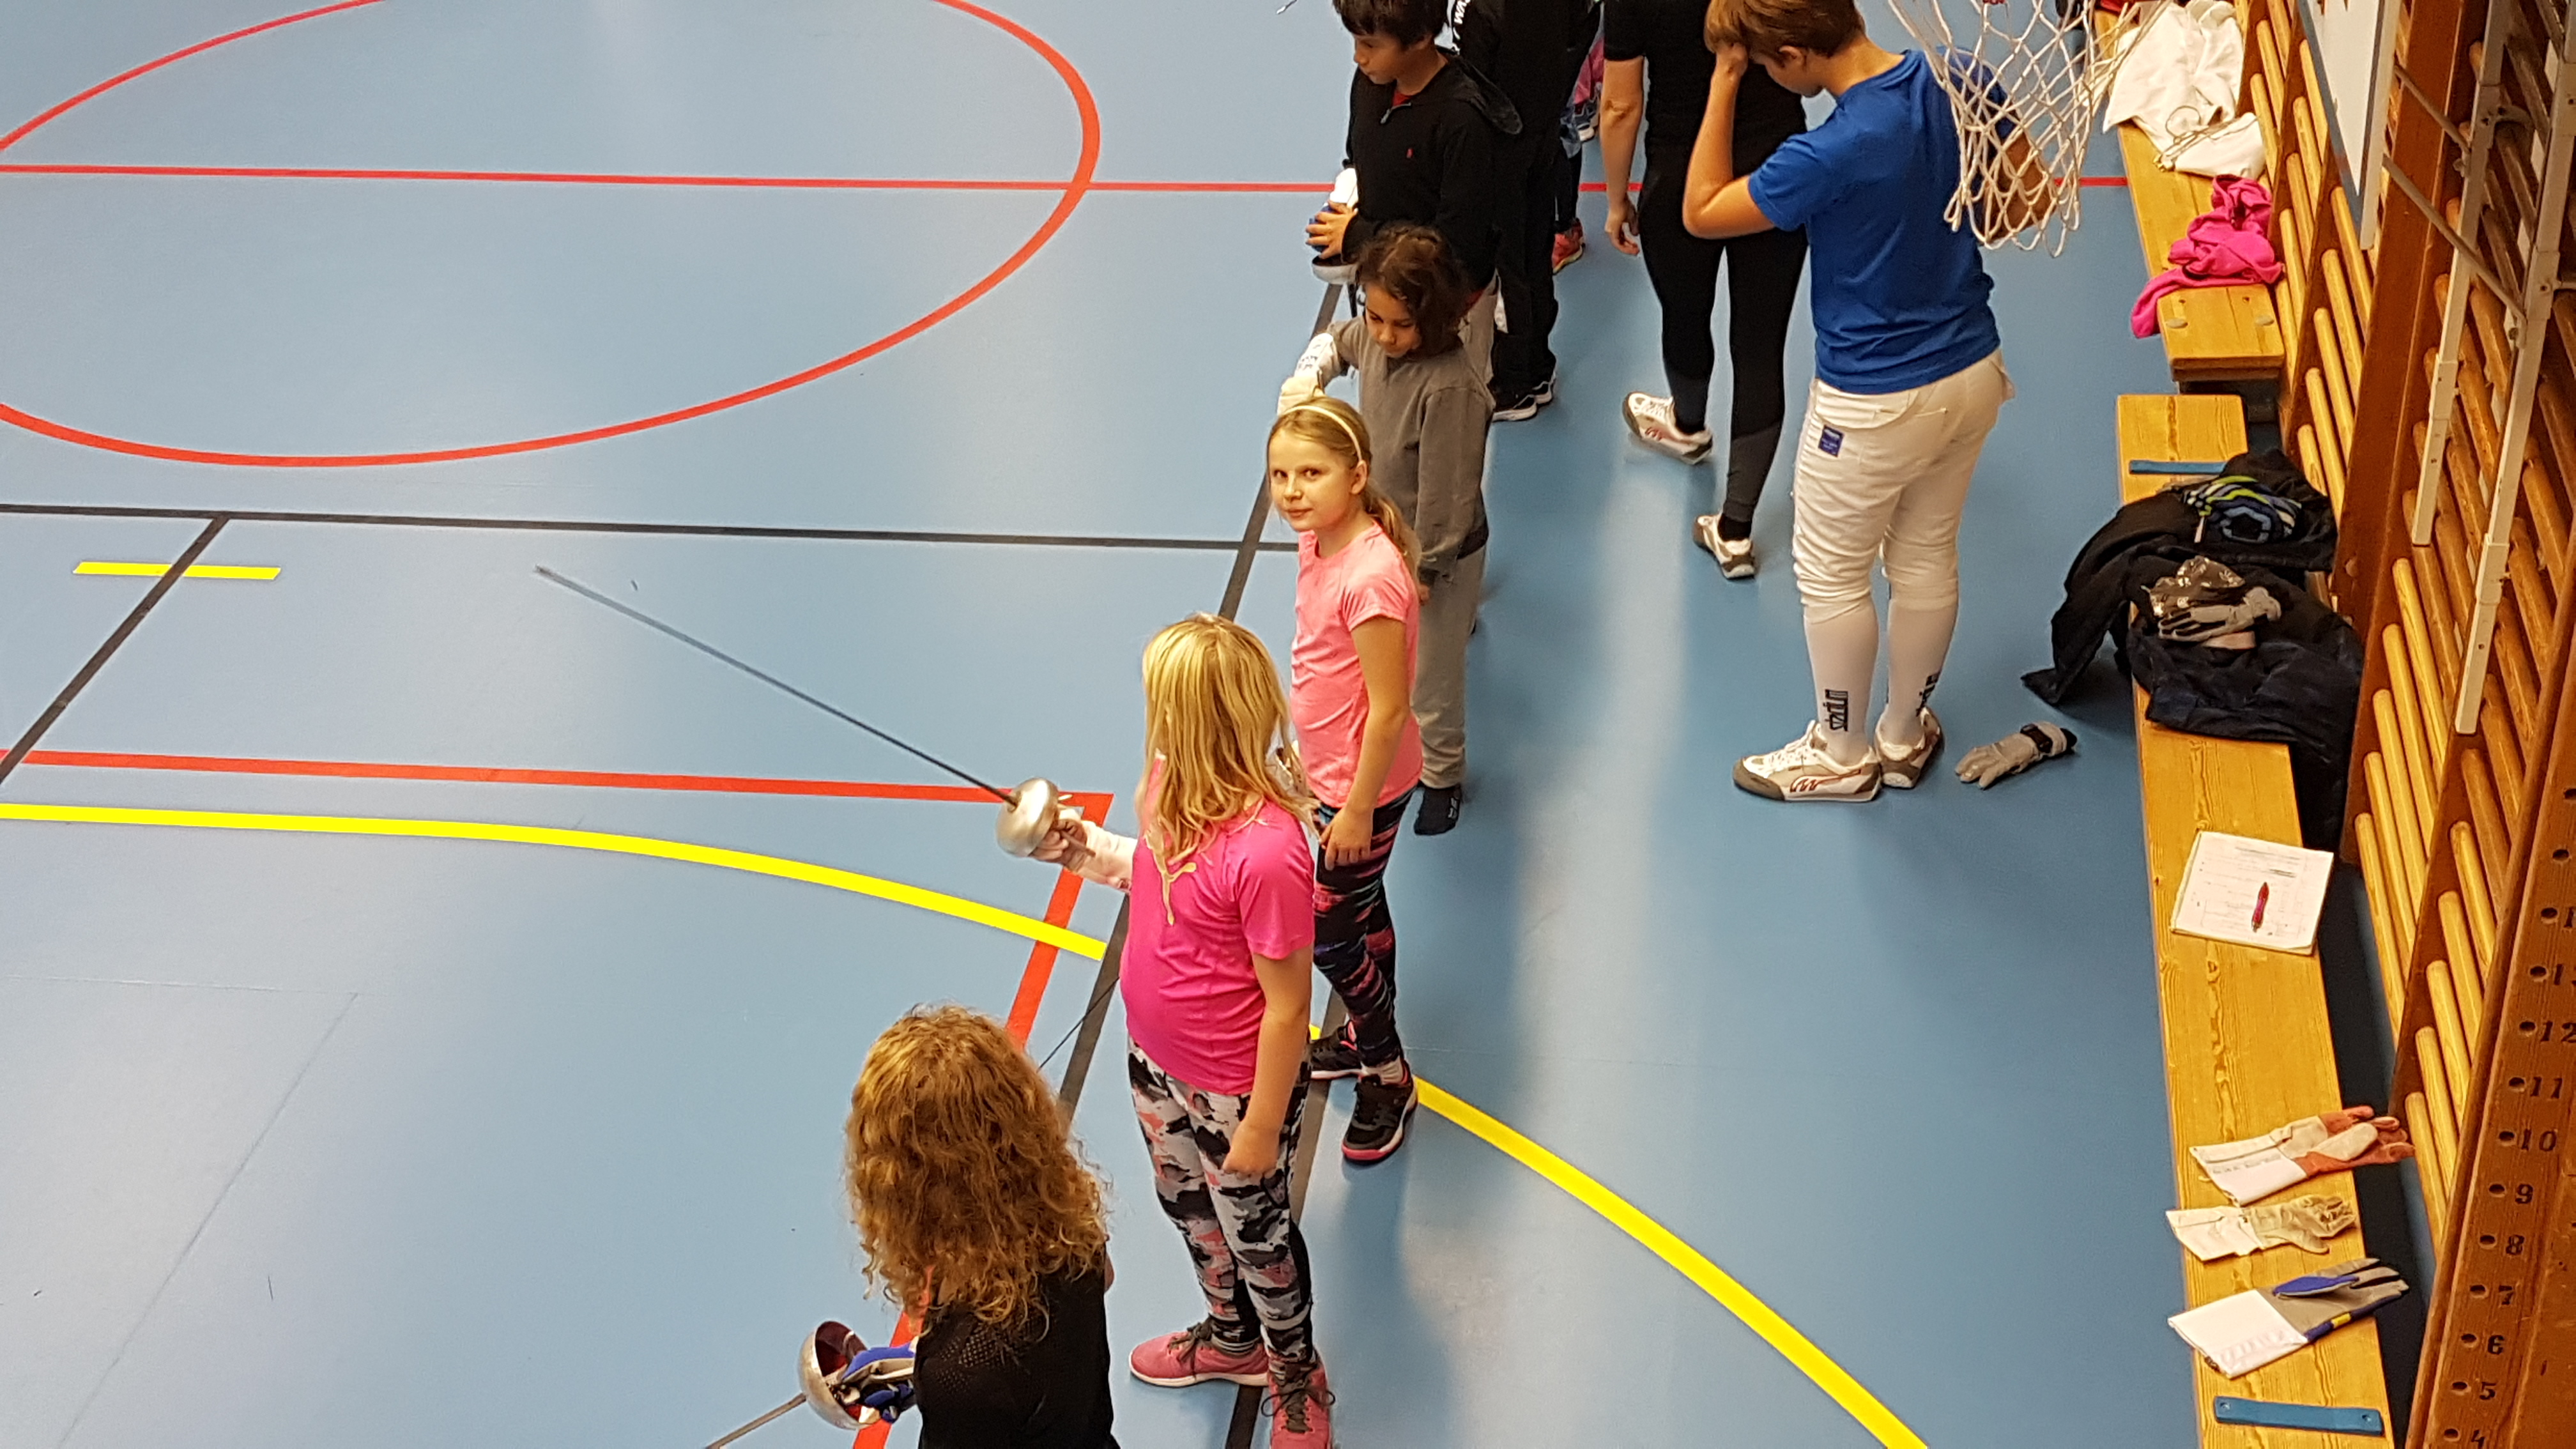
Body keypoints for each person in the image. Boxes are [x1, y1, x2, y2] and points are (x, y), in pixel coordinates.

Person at [1682, 0, 2014, 801]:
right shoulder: (1960, 77)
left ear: (1794, 55)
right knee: (1926, 556)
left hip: (1873, 398)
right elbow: (2020, 205)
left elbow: (1701, 210)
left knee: (1832, 577)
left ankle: (1841, 755)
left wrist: (1724, 76)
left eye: (1768, 64)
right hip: (1973, 369)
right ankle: (1902, 736)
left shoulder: (1825, 152)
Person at [1018, 617, 1333, 1449]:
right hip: (1155, 1062)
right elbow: (1154, 872)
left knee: (1258, 1235)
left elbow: (1288, 1007)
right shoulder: (1166, 784)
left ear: (1195, 722)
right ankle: (1232, 1338)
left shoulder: (1268, 853)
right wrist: (1083, 849)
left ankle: (1296, 1371)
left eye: (1162, 705)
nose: (1152, 719)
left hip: (1235, 1091)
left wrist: (1262, 1124)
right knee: (1190, 1208)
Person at [1278, 224, 1491, 838]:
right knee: (1394, 660)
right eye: (1376, 318)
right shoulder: (1374, 341)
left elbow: (1449, 497)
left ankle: (1443, 775)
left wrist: (1427, 572)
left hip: (1437, 554)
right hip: (1387, 534)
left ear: (1438, 317)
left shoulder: (1450, 388)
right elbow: (1339, 340)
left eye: (1402, 325)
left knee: (1431, 677)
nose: (1385, 336)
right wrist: (1312, 373)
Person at [1262, 396, 1427, 1160]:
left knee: (1329, 941)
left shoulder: (1371, 578)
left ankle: (1388, 1073)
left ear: (1357, 476)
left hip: (1367, 790)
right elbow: (1323, 664)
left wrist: (1358, 809)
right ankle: (1364, 1039)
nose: (1293, 491)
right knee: (1360, 915)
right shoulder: (1317, 543)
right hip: (1328, 777)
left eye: (1312, 474)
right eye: (1281, 475)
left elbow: (1389, 710)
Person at [841, 1006, 1117, 1449]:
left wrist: (940, 1376)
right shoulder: (1064, 1226)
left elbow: (995, 1375)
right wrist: (916, 1365)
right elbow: (1098, 1283)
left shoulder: (962, 1377)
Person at [1599, 0, 1809, 579]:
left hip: (1681, 172)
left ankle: (1688, 427)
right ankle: (1735, 532)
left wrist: (1616, 199)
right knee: (1761, 348)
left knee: (1685, 315)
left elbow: (1620, 106)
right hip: (1777, 170)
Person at [1314, 0, 1519, 377]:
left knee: (1447, 404)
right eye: (1356, 42)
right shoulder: (1371, 84)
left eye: (1371, 45)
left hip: (1446, 312)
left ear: (1422, 37)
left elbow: (1456, 245)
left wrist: (1359, 236)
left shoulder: (1461, 121)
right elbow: (1360, 153)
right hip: (1389, 298)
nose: (1359, 57)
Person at [1453, 0, 1598, 417]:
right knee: (1534, 255)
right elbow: (1583, 24)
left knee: (1509, 264)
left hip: (1503, 148)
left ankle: (1513, 381)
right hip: (1540, 134)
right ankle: (1537, 366)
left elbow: (1473, 85)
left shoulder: (1484, 11)